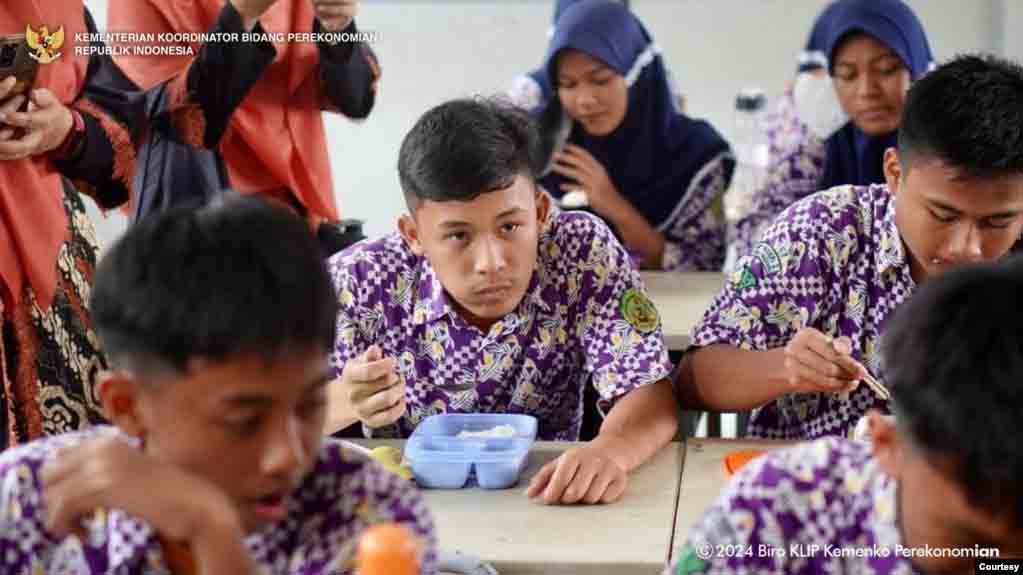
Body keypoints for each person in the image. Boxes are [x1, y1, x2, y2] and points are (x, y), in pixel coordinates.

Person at [0, 193, 437, 574]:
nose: (286, 456)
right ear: (128, 407)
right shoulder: (23, 504)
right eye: (243, 421)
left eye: (310, 406)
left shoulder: (367, 512)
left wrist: (213, 537)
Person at [326, 98, 678, 505]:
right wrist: (345, 400)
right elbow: (269, 425)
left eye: (510, 226)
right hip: (403, 511)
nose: (490, 263)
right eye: (458, 236)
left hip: (547, 501)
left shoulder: (581, 253)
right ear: (414, 235)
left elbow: (649, 393)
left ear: (541, 212)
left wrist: (609, 451)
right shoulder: (359, 279)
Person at [676, 54, 1023, 440]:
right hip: (814, 473)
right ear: (895, 174)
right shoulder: (822, 234)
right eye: (942, 214)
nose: (967, 249)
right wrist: (786, 367)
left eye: (997, 222)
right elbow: (694, 378)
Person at [667, 257, 1023, 575]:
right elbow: (694, 377)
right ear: (886, 444)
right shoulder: (777, 510)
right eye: (970, 545)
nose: (967, 247)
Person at [107, 0, 380, 242]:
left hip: (298, 224)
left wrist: (338, 28)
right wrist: (241, 16)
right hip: (195, 229)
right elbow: (178, 117)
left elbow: (356, 100)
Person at [534, 0, 733, 271]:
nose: (584, 100)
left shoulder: (694, 155)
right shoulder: (545, 151)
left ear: (637, 75)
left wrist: (612, 204)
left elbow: (703, 266)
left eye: (600, 80)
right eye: (568, 85)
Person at [733, 0, 932, 258]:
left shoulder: (945, 142)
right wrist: (802, 134)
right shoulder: (813, 147)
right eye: (848, 75)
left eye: (886, 70)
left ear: (917, 68)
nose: (867, 91)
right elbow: (756, 248)